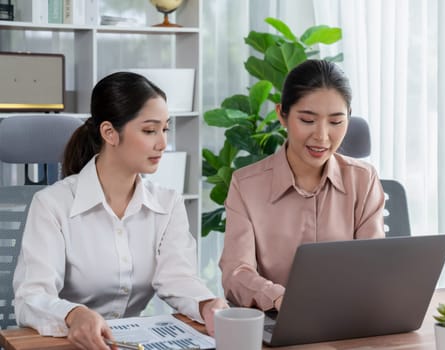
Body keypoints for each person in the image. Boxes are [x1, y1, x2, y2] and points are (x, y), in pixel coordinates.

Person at [13, 71, 228, 349]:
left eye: (165, 129)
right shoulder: (52, 204)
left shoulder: (167, 203)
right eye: (150, 130)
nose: (162, 143)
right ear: (109, 133)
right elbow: (31, 297)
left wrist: (206, 304)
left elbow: (177, 278)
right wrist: (74, 314)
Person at [219, 59, 385, 312]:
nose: (322, 136)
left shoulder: (364, 179)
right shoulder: (246, 185)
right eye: (307, 120)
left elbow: (374, 264)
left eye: (336, 122)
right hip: (277, 320)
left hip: (349, 318)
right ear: (282, 115)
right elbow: (236, 272)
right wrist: (278, 298)